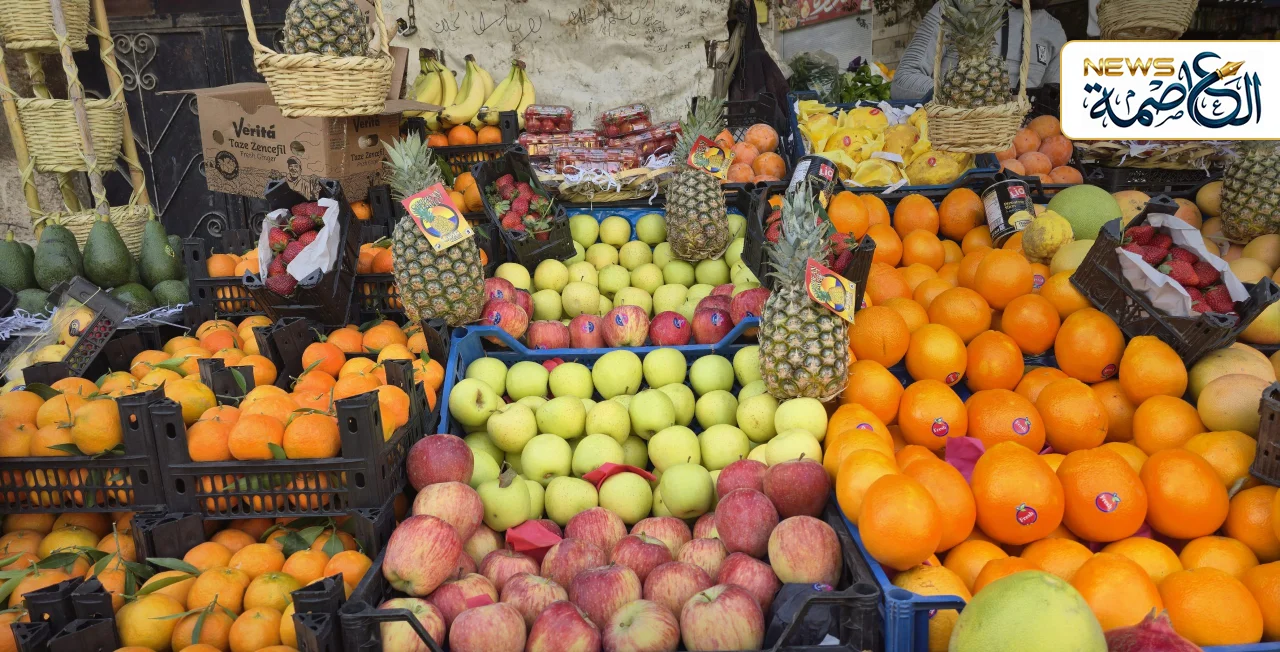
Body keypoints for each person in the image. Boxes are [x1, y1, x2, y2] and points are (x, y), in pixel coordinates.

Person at [890, 0, 1066, 102]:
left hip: (1022, 147)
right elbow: (903, 80)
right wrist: (961, 97)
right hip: (952, 137)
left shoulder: (1054, 30)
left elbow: (1054, 101)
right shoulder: (954, 8)